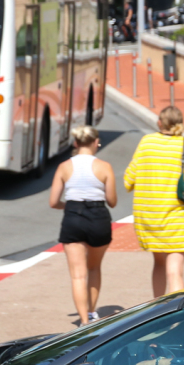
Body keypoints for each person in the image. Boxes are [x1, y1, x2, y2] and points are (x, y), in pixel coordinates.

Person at [123, 105, 184, 296]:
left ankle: (156, 313)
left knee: (158, 263)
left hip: (149, 217)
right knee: (174, 271)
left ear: (159, 122)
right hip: (176, 218)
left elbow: (128, 180)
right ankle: (177, 317)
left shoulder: (146, 142)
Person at [49, 125, 118, 325]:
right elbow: (112, 201)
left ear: (76, 143)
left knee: (78, 276)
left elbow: (53, 201)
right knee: (94, 268)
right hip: (98, 216)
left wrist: (69, 206)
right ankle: (92, 312)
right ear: (96, 142)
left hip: (73, 216)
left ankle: (83, 322)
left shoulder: (64, 167)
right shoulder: (104, 167)